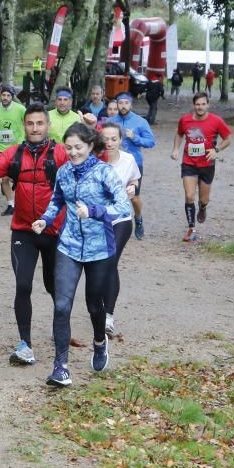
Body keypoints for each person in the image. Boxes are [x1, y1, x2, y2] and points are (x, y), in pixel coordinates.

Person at [31, 122, 131, 387]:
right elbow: (57, 201)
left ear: (89, 146)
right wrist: (44, 220)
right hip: (69, 245)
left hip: (100, 249)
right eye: (69, 147)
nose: (73, 152)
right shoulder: (63, 172)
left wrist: (95, 211)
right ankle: (60, 367)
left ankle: (99, 341)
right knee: (62, 305)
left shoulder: (104, 173)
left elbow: (122, 206)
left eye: (78, 147)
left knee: (93, 305)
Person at [0, 103, 69, 366]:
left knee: (54, 287)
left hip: (54, 232)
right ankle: (25, 344)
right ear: (24, 126)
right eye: (30, 123)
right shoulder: (15, 153)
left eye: (40, 123)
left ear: (47, 125)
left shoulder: (60, 153)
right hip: (24, 232)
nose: (35, 128)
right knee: (23, 285)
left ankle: (59, 330)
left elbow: (87, 165)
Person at [170, 92, 232, 242]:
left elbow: (228, 139)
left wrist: (216, 150)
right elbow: (179, 134)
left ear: (208, 105)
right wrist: (176, 149)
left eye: (203, 104)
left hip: (207, 164)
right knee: (189, 195)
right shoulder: (184, 120)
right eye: (197, 104)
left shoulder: (216, 121)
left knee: (204, 199)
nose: (200, 107)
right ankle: (191, 229)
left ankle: (202, 208)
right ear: (194, 105)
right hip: (189, 163)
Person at [99, 122, 139, 336]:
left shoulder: (128, 159)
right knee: (100, 265)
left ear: (120, 140)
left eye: (114, 139)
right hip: (97, 219)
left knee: (110, 261)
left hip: (121, 219)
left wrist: (133, 188)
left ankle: (108, 316)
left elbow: (135, 180)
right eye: (105, 139)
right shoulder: (92, 160)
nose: (109, 143)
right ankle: (98, 306)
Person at [106, 92, 154, 240]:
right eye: (120, 103)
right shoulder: (111, 122)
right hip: (112, 164)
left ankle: (138, 218)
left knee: (133, 197)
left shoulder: (140, 122)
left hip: (134, 164)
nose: (123, 106)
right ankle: (112, 224)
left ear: (131, 104)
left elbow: (151, 142)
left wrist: (135, 138)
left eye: (126, 103)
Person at [0, 85, 27, 216]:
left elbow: (28, 122)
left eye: (8, 95)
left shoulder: (20, 109)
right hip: (2, 148)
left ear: (12, 96)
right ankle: (11, 205)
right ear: (0, 96)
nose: (5, 98)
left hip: (18, 147)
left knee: (20, 177)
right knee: (3, 178)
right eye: (3, 95)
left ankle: (22, 203)